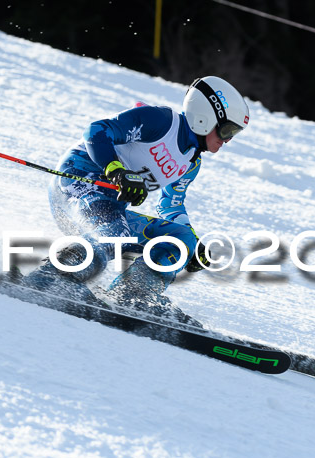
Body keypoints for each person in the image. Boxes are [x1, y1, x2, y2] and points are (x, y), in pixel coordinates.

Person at [22, 76, 250, 324]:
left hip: (111, 210)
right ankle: (53, 276)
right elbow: (97, 131)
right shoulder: (161, 122)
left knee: (180, 240)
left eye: (234, 134)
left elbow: (170, 204)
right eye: (227, 130)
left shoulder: (191, 162)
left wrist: (195, 246)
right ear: (205, 117)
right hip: (77, 185)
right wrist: (117, 170)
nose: (227, 140)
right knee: (115, 234)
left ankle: (133, 295)